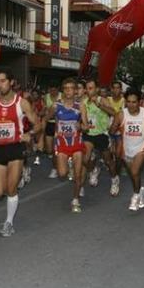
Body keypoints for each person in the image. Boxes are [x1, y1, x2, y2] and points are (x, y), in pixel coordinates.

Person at [0, 70, 40, 237]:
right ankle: (3, 181)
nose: (0, 85)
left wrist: (31, 134)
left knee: (10, 188)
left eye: (3, 81)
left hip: (16, 147)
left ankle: (8, 223)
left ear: (11, 82)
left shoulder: (21, 103)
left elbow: (37, 124)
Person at [47, 78, 87, 212]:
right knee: (62, 174)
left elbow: (86, 126)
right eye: (66, 88)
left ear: (76, 91)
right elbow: (47, 118)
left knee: (77, 174)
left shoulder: (80, 105)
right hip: (62, 143)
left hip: (76, 142)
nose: (68, 91)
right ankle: (67, 166)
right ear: (63, 91)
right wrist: (54, 132)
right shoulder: (56, 105)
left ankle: (75, 200)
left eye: (71, 88)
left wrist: (80, 125)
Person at [111, 89, 144, 211]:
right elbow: (112, 131)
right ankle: (141, 192)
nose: (131, 105)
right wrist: (114, 129)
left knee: (134, 172)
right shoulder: (121, 114)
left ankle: (135, 196)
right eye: (128, 102)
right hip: (126, 149)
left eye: (134, 102)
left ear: (139, 102)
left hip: (142, 148)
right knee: (134, 175)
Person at [82, 79, 116, 194]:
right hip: (89, 134)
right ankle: (94, 170)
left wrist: (100, 105)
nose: (88, 90)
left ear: (96, 89)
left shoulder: (103, 100)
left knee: (108, 161)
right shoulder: (84, 102)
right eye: (87, 88)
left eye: (91, 88)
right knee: (86, 159)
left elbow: (114, 113)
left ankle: (114, 180)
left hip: (101, 134)